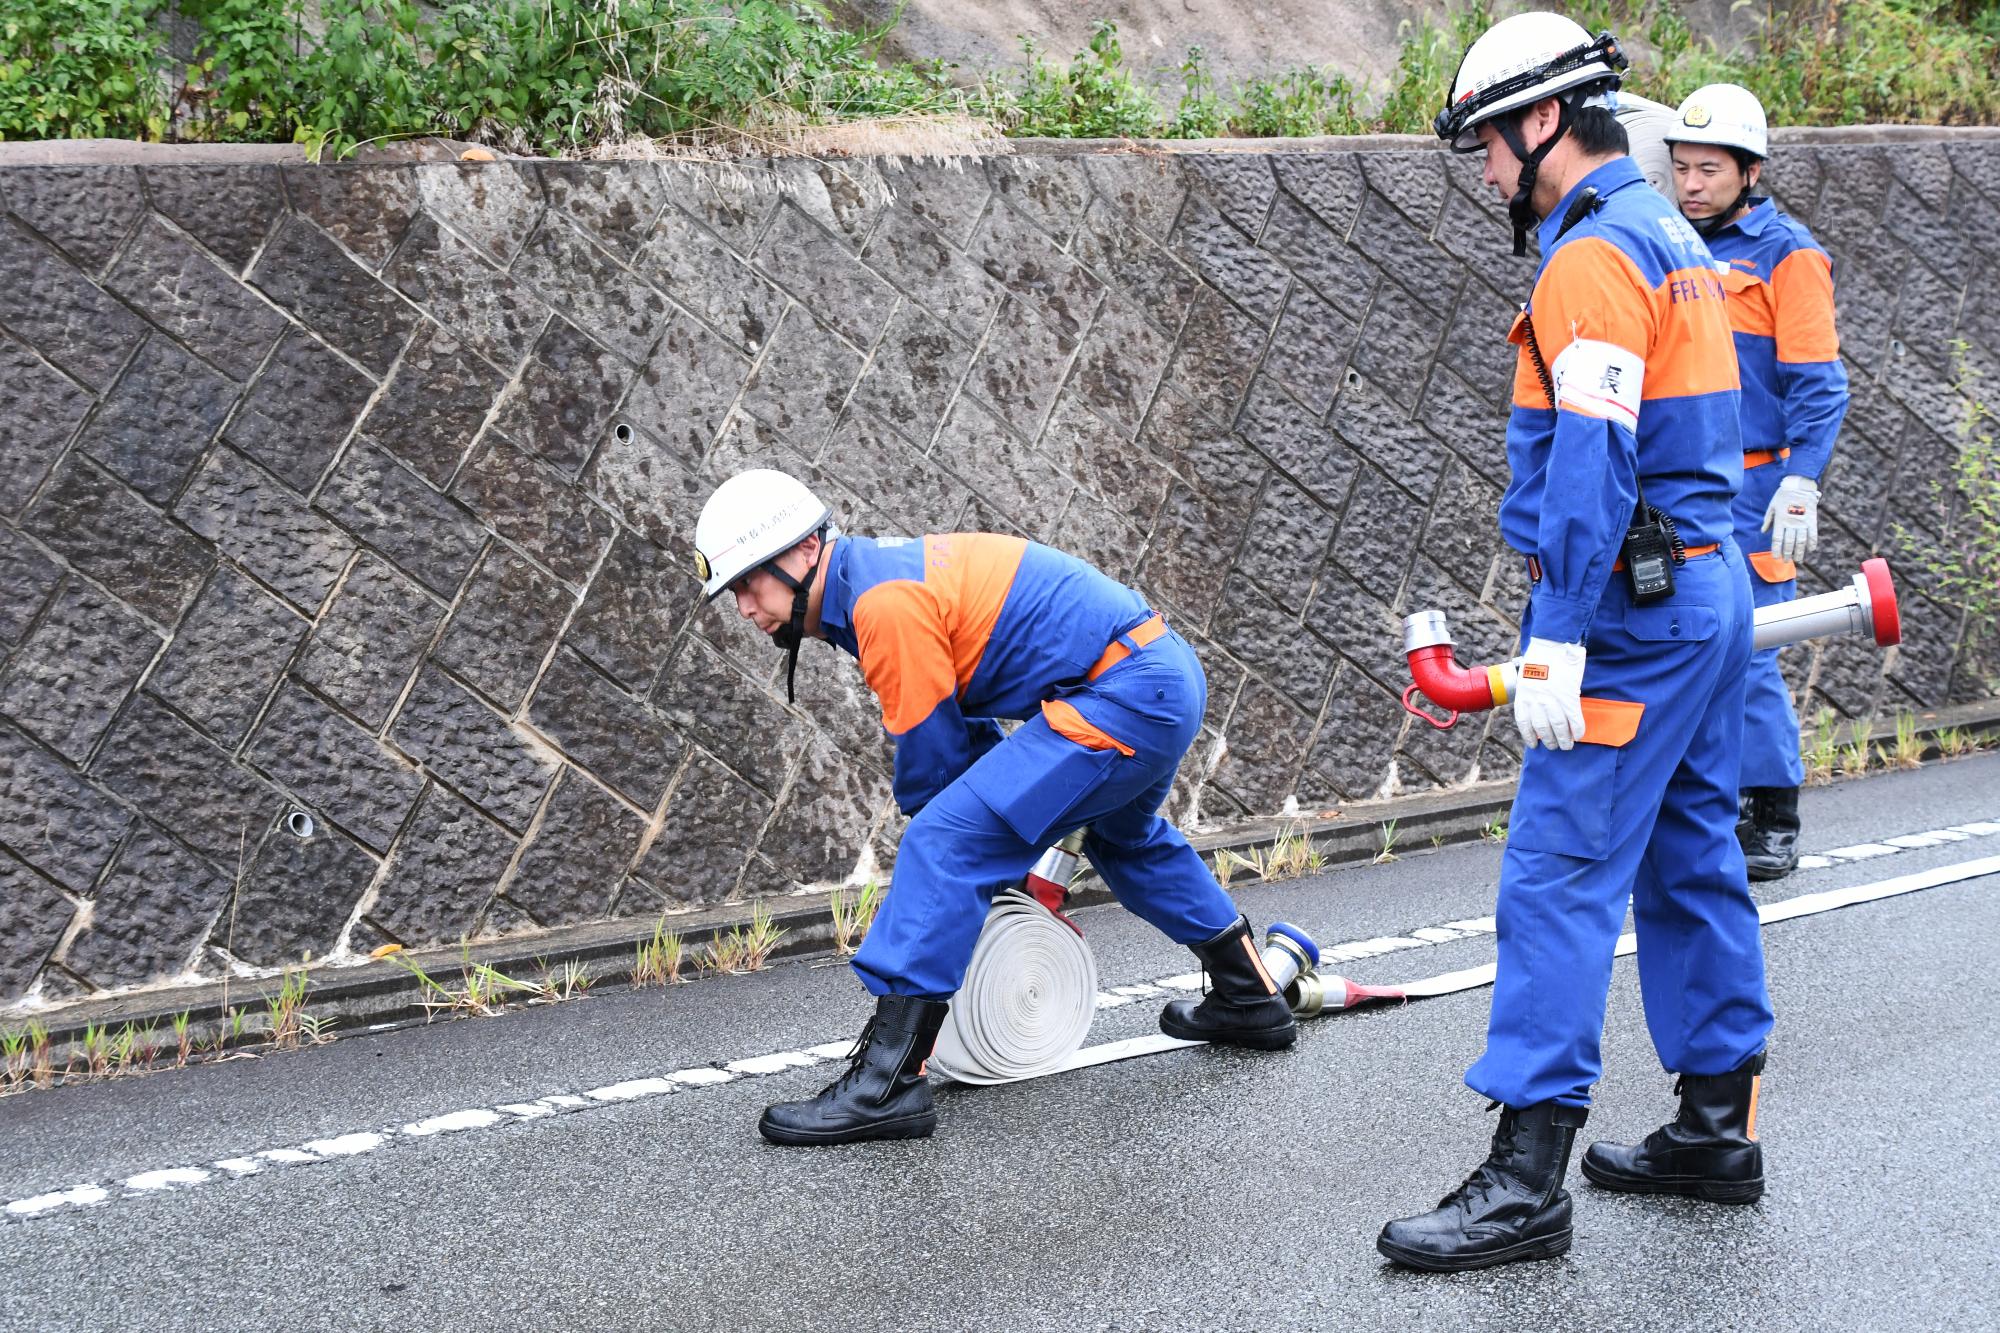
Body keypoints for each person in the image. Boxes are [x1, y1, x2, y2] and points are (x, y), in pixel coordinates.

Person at [1377, 13, 1774, 1272]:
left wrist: (1552, 639)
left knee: (1555, 871)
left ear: (1541, 120)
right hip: (1705, 591)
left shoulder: (1590, 257)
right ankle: (1713, 1129)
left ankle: (1523, 1181)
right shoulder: (1668, 233)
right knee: (1689, 854)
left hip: (1631, 612)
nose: (1487, 172)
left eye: (1488, 147)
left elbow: (1591, 463)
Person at [690, 470, 1295, 1147]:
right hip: (1159, 675)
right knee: (1124, 839)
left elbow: (936, 768)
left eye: (750, 582)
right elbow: (965, 737)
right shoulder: (875, 580)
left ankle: (887, 1083)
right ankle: (1251, 995)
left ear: (806, 550)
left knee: (944, 842)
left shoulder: (882, 604)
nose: (744, 606)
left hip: (1125, 692)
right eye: (733, 591)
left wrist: (968, 875)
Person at [1668, 83, 1849, 880]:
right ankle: (1708, 805)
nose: (1691, 183)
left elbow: (1819, 382)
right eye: (1681, 167)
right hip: (1678, 487)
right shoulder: (1668, 242)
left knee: (1750, 650)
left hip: (1753, 488)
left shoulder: (1787, 253)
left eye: (1709, 169)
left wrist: (1801, 479)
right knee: (1684, 645)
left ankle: (1773, 812)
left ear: (1750, 170)